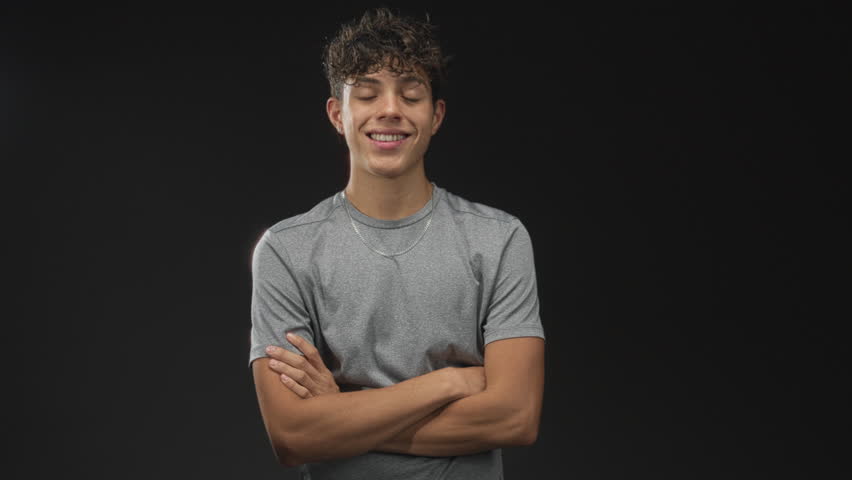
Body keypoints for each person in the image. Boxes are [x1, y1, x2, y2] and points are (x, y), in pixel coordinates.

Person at [248, 7, 545, 479]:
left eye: (411, 95)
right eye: (366, 94)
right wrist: (449, 382)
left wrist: (343, 415)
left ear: (435, 116)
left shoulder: (499, 239)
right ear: (337, 115)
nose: (390, 110)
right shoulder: (286, 250)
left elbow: (516, 416)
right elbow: (293, 437)